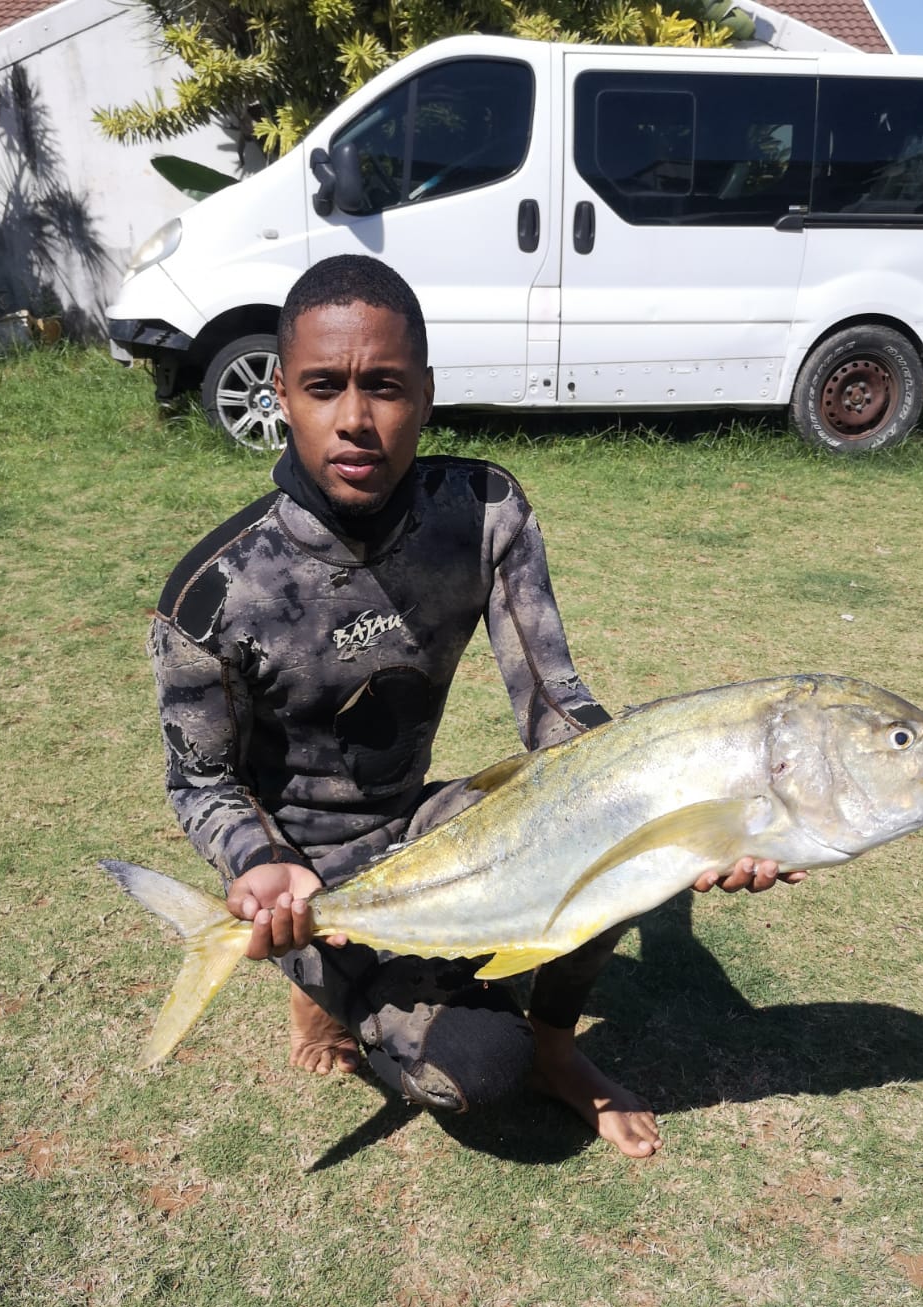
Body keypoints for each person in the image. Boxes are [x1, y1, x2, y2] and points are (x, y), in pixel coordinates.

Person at [150, 255, 799, 1159]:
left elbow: (554, 700)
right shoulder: (214, 594)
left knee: (620, 835)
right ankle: (318, 975)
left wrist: (683, 806)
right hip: (301, 865)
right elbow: (202, 782)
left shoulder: (483, 511)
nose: (355, 418)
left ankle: (557, 1050)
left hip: (424, 823)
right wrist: (261, 860)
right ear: (283, 397)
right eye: (323, 387)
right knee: (479, 1067)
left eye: (384, 386)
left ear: (425, 394)